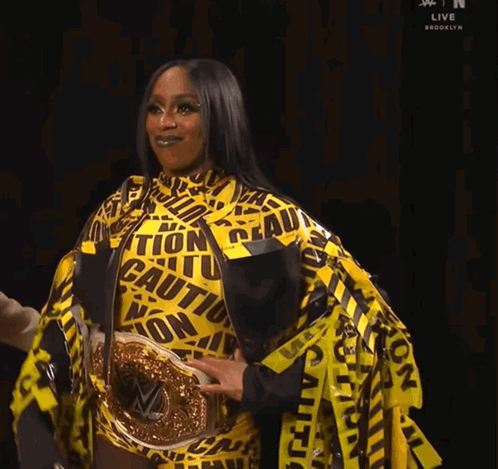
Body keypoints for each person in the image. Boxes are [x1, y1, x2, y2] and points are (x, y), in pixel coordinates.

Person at [10, 58, 442, 469]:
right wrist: (39, 430)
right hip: (114, 444)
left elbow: (369, 333)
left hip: (215, 450)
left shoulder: (269, 219)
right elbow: (64, 329)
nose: (164, 123)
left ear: (220, 114)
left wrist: (261, 384)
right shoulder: (117, 211)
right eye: (155, 109)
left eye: (185, 108)